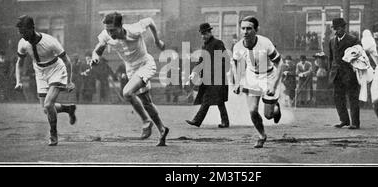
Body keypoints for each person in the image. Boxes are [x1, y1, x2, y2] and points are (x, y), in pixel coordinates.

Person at [91, 12, 169, 146]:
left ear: (121, 26)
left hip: (145, 64)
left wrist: (157, 40)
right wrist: (95, 58)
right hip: (131, 69)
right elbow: (97, 50)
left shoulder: (134, 29)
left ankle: (146, 121)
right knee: (147, 102)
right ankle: (162, 129)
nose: (110, 34)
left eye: (113, 30)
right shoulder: (106, 35)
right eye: (108, 30)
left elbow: (150, 20)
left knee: (127, 92)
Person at [14, 15, 77, 146]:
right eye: (20, 32)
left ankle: (53, 133)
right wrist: (18, 81)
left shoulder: (50, 41)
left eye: (25, 32)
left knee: (48, 105)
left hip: (56, 70)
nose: (23, 35)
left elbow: (67, 61)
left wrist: (69, 81)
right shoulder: (22, 43)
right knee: (45, 109)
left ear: (32, 28)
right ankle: (68, 109)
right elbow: (19, 63)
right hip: (40, 73)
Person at [231, 16, 283, 148]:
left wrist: (274, 85)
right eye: (243, 28)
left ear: (256, 30)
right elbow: (237, 65)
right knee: (252, 110)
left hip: (269, 77)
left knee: (268, 115)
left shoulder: (265, 43)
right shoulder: (238, 46)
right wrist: (237, 83)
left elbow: (280, 63)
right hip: (252, 77)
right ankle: (261, 135)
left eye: (249, 28)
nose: (245, 32)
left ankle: (275, 108)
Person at [186, 23, 230, 128]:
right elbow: (201, 60)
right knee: (219, 101)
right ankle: (225, 122)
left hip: (218, 78)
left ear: (210, 32)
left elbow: (224, 60)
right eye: (202, 34)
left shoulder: (218, 43)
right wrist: (194, 72)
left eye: (205, 33)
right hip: (209, 78)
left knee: (208, 100)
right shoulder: (205, 46)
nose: (203, 36)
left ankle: (197, 121)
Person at [328, 18, 361, 129]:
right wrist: (331, 71)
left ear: (343, 28)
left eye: (338, 28)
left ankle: (355, 123)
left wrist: (356, 71)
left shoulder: (353, 40)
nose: (336, 31)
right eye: (335, 29)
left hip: (350, 74)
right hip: (336, 75)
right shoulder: (332, 41)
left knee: (352, 98)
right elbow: (331, 58)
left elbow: (359, 57)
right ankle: (344, 120)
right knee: (338, 98)